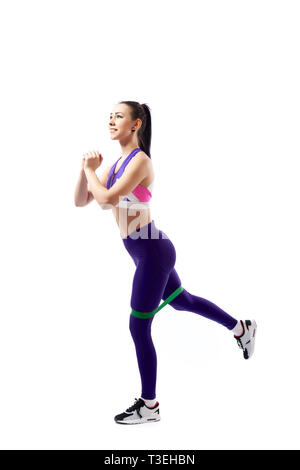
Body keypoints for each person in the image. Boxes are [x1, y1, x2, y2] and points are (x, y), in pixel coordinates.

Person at [74, 100, 257, 425]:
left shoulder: (140, 162)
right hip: (146, 251)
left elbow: (105, 201)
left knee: (138, 325)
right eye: (110, 116)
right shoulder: (115, 163)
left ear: (136, 124)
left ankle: (150, 405)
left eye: (119, 115)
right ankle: (241, 328)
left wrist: (91, 172)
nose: (111, 120)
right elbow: (82, 200)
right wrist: (84, 167)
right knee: (182, 301)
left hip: (153, 252)